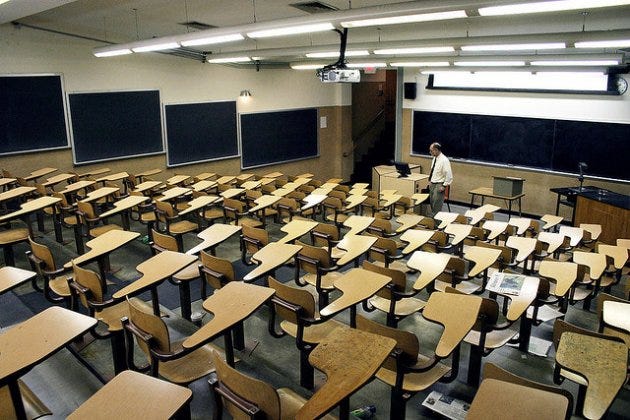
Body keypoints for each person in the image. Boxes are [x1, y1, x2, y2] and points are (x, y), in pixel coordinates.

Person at [427, 142, 453, 217]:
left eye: (431, 151)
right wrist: (430, 181)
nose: (430, 152)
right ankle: (433, 223)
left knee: (436, 206)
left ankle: (437, 225)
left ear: (436, 150)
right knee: (432, 203)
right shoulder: (434, 159)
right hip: (433, 183)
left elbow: (449, 175)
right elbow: (433, 171)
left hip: (439, 185)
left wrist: (444, 186)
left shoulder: (444, 160)